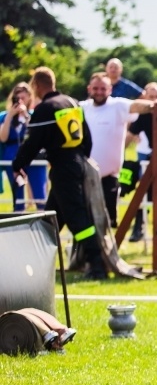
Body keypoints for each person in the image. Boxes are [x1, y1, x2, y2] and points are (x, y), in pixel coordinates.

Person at [10, 67, 107, 279]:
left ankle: (97, 265)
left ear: (36, 86)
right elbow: (87, 138)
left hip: (63, 167)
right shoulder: (72, 103)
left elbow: (33, 142)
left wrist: (18, 164)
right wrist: (79, 160)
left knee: (77, 218)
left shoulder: (46, 108)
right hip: (77, 162)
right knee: (50, 218)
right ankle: (36, 264)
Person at [80, 72, 157, 227]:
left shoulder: (118, 105)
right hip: (85, 175)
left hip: (109, 176)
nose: (99, 92)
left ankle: (106, 250)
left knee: (108, 223)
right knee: (84, 222)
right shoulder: (82, 108)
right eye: (96, 88)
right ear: (89, 89)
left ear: (110, 90)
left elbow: (138, 106)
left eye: (103, 89)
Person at [126, 82, 157, 242]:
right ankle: (139, 229)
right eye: (151, 97)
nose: (154, 101)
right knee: (144, 193)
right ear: (145, 98)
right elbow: (129, 136)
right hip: (154, 159)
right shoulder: (144, 116)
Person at [1, 82, 47, 211]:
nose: (20, 101)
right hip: (13, 158)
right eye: (17, 98)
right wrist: (10, 115)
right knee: (18, 199)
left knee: (40, 197)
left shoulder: (34, 115)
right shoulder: (5, 117)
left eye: (23, 98)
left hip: (34, 158)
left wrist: (26, 115)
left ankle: (44, 225)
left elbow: (36, 134)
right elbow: (3, 138)